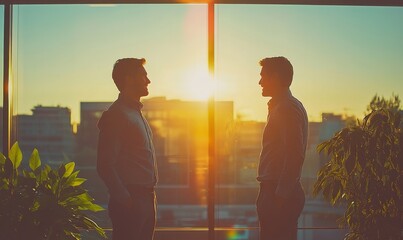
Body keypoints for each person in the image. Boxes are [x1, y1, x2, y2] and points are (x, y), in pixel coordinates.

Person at [97, 58, 158, 240]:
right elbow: (105, 165)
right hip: (132, 200)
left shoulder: (135, 113)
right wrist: (126, 199)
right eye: (143, 75)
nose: (148, 80)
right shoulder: (117, 115)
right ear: (129, 79)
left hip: (145, 198)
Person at [256, 56, 308, 240]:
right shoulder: (286, 106)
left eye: (263, 76)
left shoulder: (286, 108)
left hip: (278, 191)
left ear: (276, 77)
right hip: (278, 191)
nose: (259, 81)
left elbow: (294, 154)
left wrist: (279, 196)